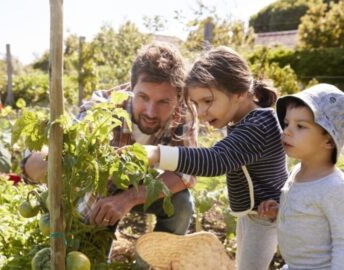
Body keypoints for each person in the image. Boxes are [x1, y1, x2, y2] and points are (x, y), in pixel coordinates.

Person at [21, 42, 196, 235]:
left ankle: (157, 262)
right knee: (90, 244)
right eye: (143, 97)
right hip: (103, 188)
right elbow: (66, 162)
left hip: (144, 185)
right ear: (131, 87)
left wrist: (128, 198)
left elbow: (186, 173)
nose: (151, 112)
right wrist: (40, 162)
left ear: (178, 96)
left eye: (164, 101)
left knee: (182, 204)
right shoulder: (103, 109)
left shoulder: (184, 112)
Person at [142, 46, 288, 270]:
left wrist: (156, 154)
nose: (200, 112)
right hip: (254, 214)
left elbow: (215, 160)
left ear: (239, 93)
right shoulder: (246, 120)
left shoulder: (258, 125)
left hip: (265, 216)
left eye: (208, 101)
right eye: (196, 104)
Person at [257, 83, 344, 270]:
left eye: (300, 126)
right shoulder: (298, 171)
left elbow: (342, 243)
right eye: (287, 123)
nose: (286, 131)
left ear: (328, 139)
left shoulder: (334, 188)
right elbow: (308, 216)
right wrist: (279, 211)